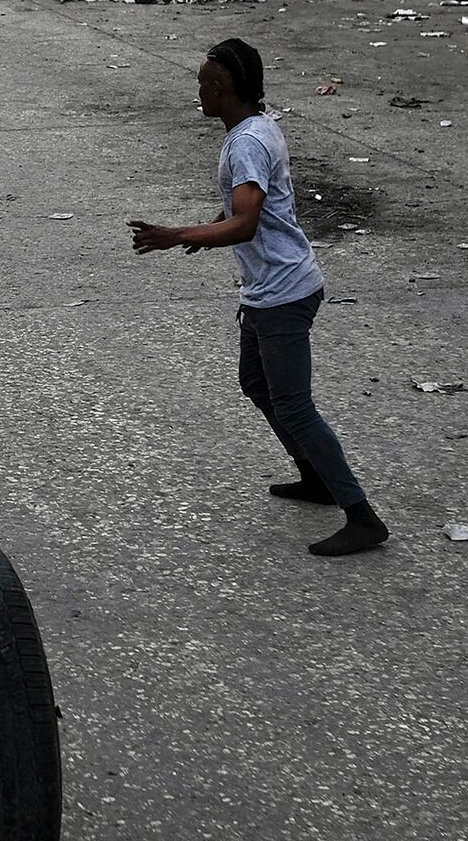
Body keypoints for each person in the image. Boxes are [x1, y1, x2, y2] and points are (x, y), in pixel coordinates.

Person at [129, 39, 389, 558]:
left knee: (294, 405)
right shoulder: (259, 127)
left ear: (221, 89)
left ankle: (361, 515)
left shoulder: (246, 143)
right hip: (271, 288)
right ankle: (314, 477)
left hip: (282, 293)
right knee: (255, 381)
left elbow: (245, 223)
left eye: (203, 83)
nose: (198, 91)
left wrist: (178, 234)